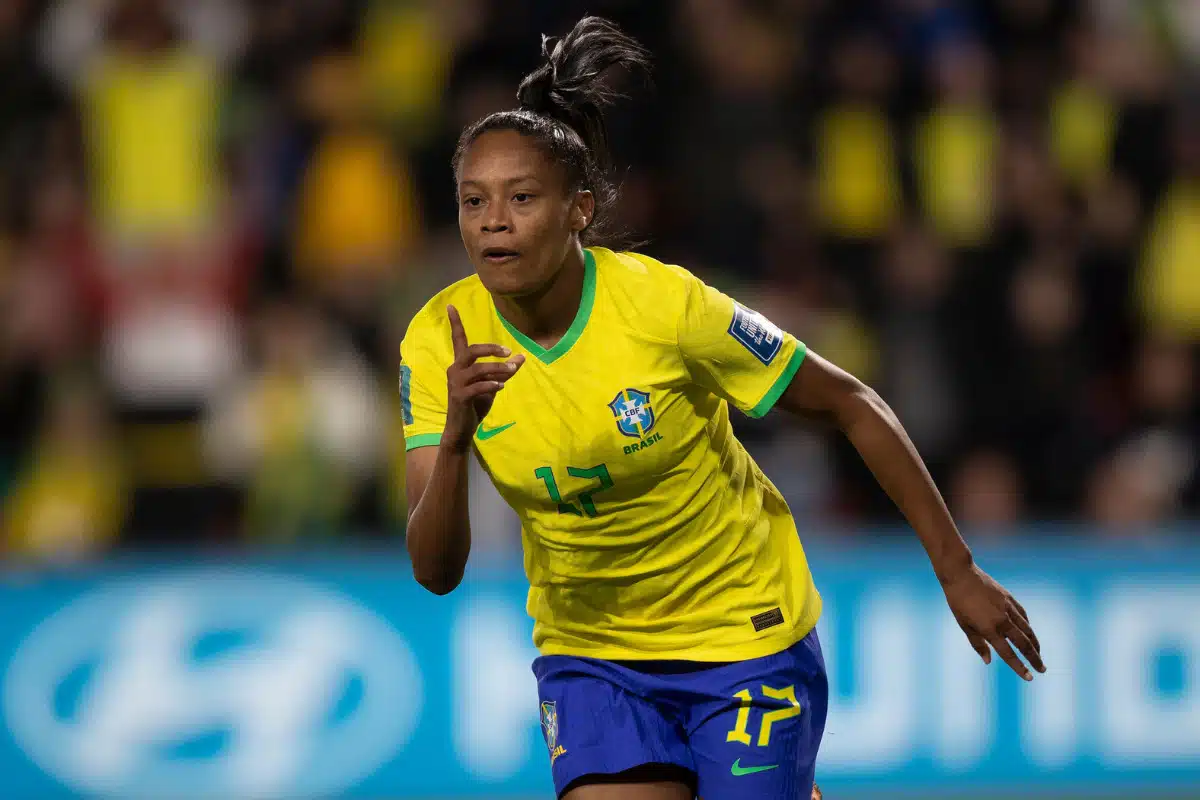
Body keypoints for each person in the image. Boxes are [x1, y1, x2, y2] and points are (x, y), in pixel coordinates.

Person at [399, 17, 1045, 800]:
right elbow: (435, 573)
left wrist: (958, 568)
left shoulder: (665, 307)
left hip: (743, 633)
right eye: (474, 201)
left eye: (522, 198)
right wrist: (460, 441)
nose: (492, 222)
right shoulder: (439, 341)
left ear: (578, 210)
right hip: (593, 654)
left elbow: (853, 403)